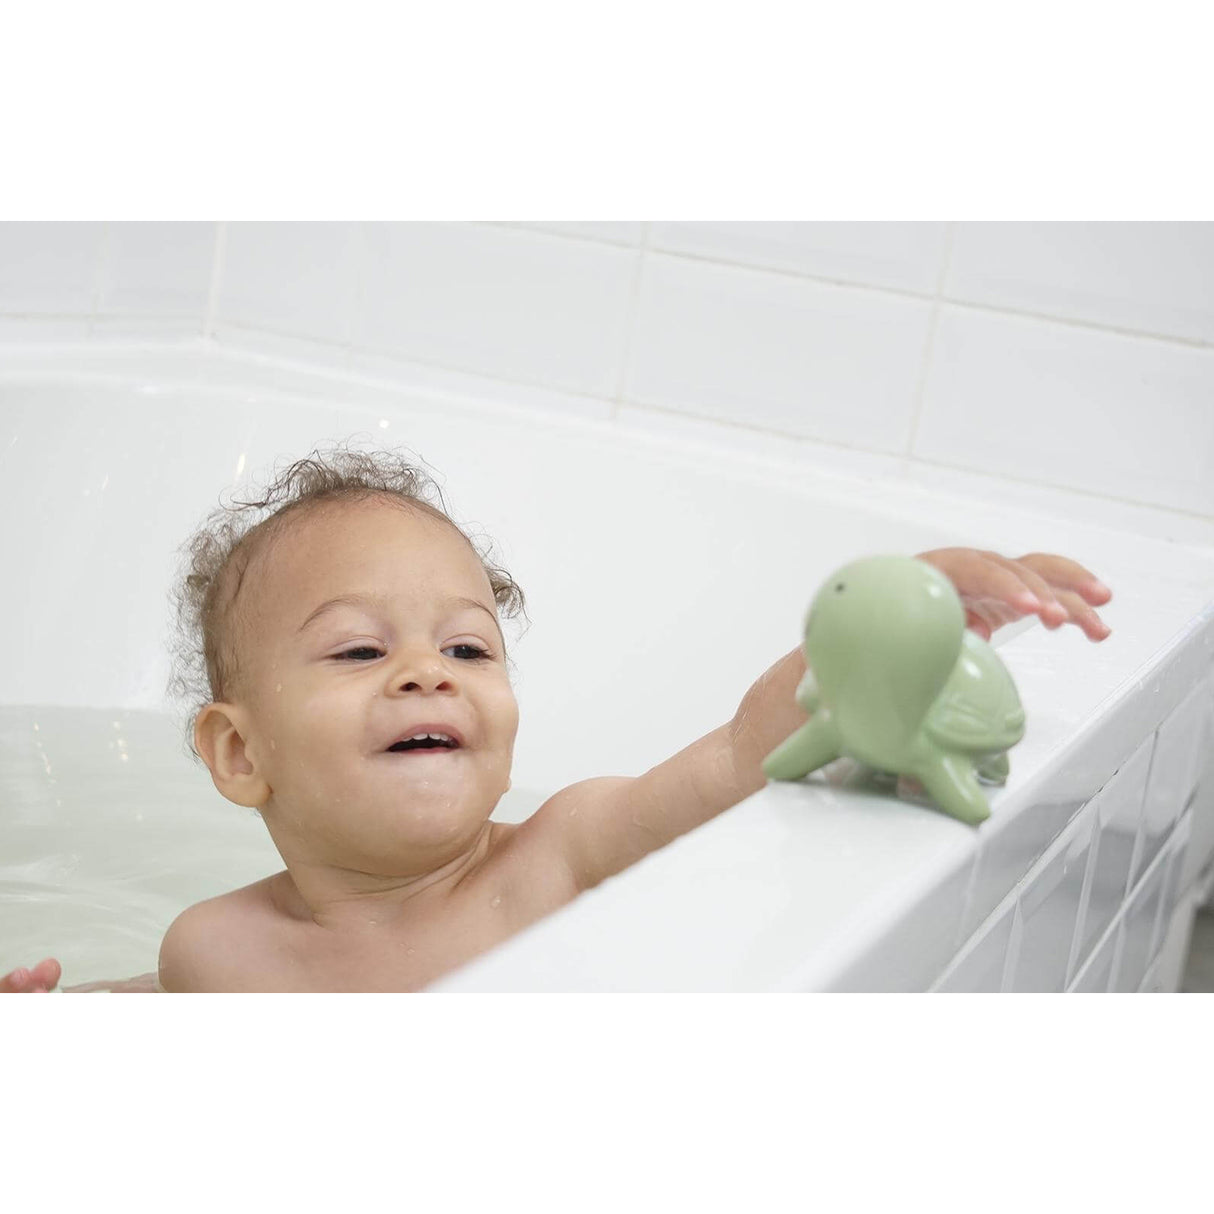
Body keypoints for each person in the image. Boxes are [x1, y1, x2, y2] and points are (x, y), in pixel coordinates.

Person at [1, 448, 1112, 992]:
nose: (426, 674)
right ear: (240, 752)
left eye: (466, 648)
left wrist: (889, 627)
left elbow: (741, 754)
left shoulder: (561, 857)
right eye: (360, 649)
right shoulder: (212, 952)